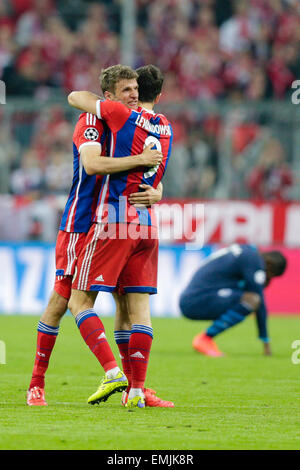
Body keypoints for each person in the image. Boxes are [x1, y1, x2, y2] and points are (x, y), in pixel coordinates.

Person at [27, 65, 165, 407]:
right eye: (126, 91)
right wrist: (140, 160)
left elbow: (150, 171)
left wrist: (157, 191)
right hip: (82, 223)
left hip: (116, 223)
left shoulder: (132, 124)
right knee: (63, 301)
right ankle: (37, 384)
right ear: (108, 97)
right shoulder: (91, 123)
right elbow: (92, 165)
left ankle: (135, 387)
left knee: (124, 302)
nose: (134, 95)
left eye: (136, 89)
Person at [67, 64, 173, 409]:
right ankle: (138, 392)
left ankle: (113, 372)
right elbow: (156, 170)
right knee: (135, 310)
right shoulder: (167, 126)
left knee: (78, 301)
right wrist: (158, 192)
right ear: (160, 95)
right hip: (147, 223)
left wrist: (107, 99)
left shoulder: (120, 115)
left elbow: (75, 97)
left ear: (137, 92)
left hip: (114, 219)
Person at [179, 244, 287, 357]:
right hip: (195, 301)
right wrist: (265, 339)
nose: (267, 278)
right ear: (269, 264)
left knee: (248, 295)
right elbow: (259, 300)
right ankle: (205, 339)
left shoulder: (248, 251)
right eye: (270, 274)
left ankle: (205, 339)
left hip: (193, 298)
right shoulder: (254, 260)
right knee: (252, 300)